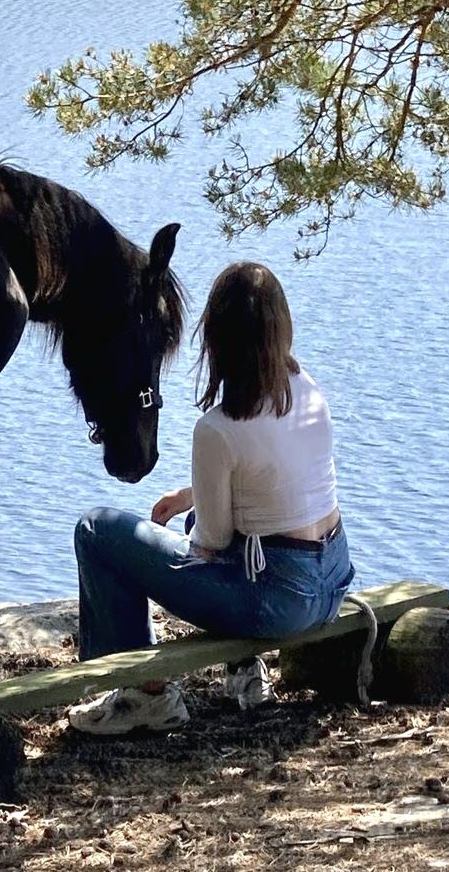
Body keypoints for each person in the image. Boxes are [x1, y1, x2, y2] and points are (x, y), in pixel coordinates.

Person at [67, 261, 354, 735]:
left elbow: (213, 542)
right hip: (332, 578)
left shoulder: (217, 429)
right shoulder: (308, 390)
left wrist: (154, 550)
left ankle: (146, 695)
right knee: (198, 518)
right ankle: (245, 674)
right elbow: (273, 480)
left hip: (279, 602)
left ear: (217, 337)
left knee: (97, 531)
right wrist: (188, 497)